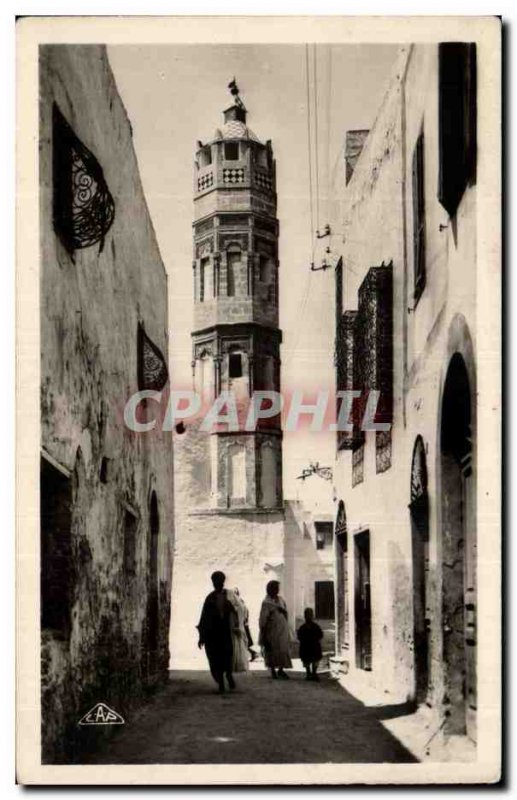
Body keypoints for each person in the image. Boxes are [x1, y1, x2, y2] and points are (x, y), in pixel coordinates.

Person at [197, 571, 238, 693]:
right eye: (215, 581)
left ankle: (229, 675)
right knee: (215, 658)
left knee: (227, 656)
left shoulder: (230, 596)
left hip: (226, 632)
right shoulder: (210, 599)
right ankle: (220, 682)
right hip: (213, 634)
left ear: (223, 582)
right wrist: (202, 636)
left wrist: (232, 609)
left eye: (219, 581)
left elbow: (239, 611)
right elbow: (204, 617)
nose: (217, 584)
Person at [258, 580, 292, 679]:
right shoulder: (266, 603)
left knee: (283, 649)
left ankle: (281, 670)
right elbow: (263, 618)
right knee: (272, 650)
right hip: (272, 631)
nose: (277, 590)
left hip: (282, 630)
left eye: (278, 588)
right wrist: (263, 632)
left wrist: (283, 612)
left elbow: (285, 611)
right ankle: (273, 670)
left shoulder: (281, 600)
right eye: (275, 588)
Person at [226, 587, 250, 673]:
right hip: (237, 627)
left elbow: (241, 614)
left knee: (237, 644)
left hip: (236, 627)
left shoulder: (237, 605)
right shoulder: (238, 604)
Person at [297, 607, 323, 681]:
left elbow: (320, 635)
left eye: (310, 615)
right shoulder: (302, 628)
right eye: (307, 615)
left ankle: (314, 673)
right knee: (306, 661)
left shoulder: (316, 627)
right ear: (305, 617)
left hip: (314, 647)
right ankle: (308, 673)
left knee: (315, 660)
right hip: (306, 647)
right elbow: (299, 636)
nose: (309, 617)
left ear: (312, 616)